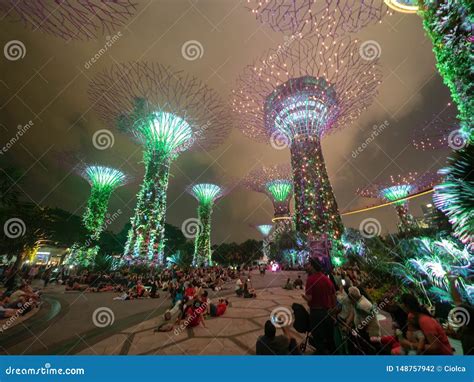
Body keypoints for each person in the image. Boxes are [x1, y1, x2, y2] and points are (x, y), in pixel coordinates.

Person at [303, 258, 336, 354]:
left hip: (316, 313)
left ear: (313, 266)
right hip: (327, 313)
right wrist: (333, 310)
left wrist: (304, 297)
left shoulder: (311, 279)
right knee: (329, 338)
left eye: (309, 264)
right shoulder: (326, 279)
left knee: (318, 339)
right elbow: (333, 295)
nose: (307, 266)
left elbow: (309, 298)